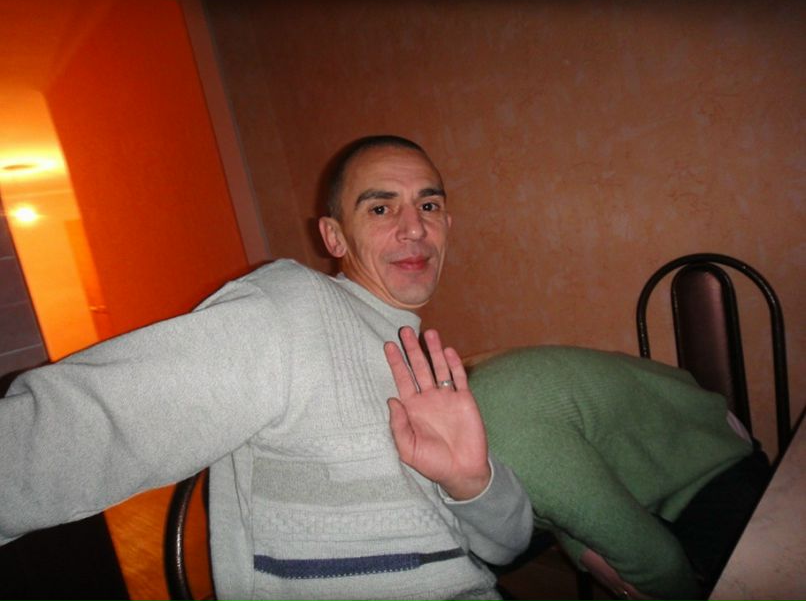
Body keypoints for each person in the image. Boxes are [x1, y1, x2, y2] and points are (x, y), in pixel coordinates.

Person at [0, 136, 533, 601]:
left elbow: (508, 545)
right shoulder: (289, 311)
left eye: (429, 205)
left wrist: (471, 482)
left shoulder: (426, 361)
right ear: (334, 237)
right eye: (380, 208)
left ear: (447, 225)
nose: (414, 228)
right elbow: (89, 425)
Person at [466, 345, 771, 601]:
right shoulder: (474, 405)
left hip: (709, 457)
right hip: (643, 461)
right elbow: (561, 487)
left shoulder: (506, 438)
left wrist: (594, 551)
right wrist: (583, 545)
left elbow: (657, 560)